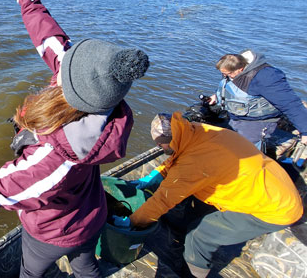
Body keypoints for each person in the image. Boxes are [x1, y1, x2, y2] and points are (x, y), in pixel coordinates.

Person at [0, 0, 149, 278]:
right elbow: (53, 41)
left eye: (68, 68)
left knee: (31, 273)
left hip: (55, 233)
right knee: (86, 266)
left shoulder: (54, 158)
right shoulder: (103, 102)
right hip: (92, 214)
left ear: (73, 90)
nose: (61, 63)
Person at [115, 112, 303, 278]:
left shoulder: (194, 163)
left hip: (273, 207)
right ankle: (182, 228)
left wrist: (132, 222)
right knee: (189, 205)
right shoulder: (196, 130)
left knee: (199, 235)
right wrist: (156, 175)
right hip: (264, 182)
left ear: (172, 140)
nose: (158, 147)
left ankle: (192, 272)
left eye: (161, 144)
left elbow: (163, 200)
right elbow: (179, 156)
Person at [208, 50, 307, 148]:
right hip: (236, 117)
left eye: (228, 74)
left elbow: (290, 103)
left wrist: (305, 131)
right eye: (223, 74)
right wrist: (217, 95)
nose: (225, 76)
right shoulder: (232, 68)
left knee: (245, 151)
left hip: (257, 122)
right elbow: (231, 87)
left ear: (240, 69)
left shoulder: (266, 77)